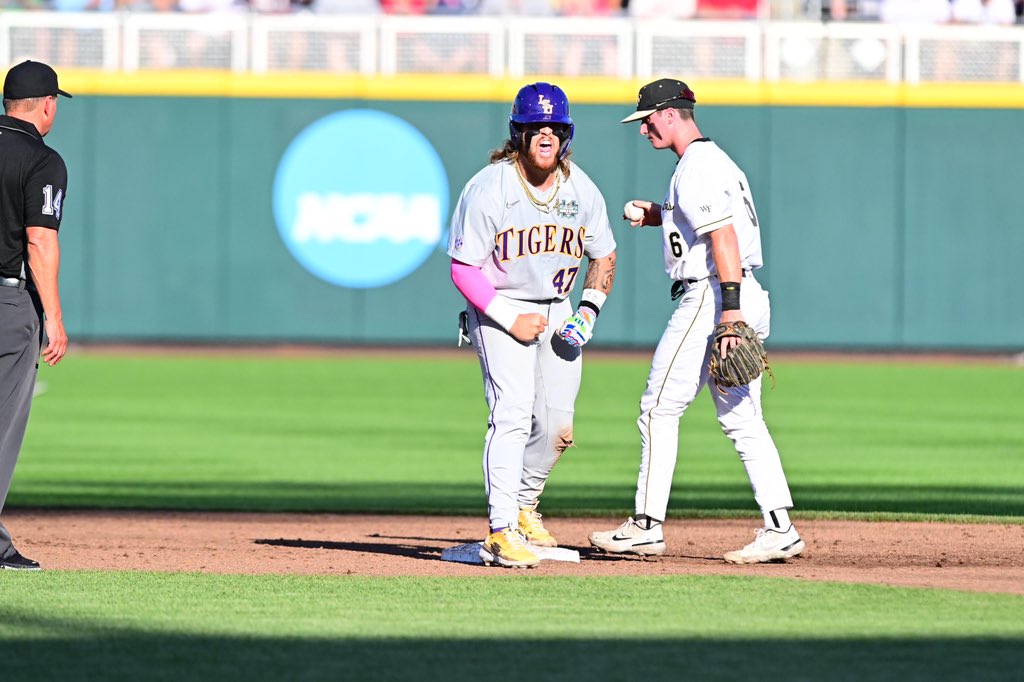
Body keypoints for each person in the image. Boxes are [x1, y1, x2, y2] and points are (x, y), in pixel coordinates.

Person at [588, 78, 803, 564]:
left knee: (658, 407)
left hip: (712, 295)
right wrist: (659, 216)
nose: (643, 129)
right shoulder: (715, 161)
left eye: (646, 119)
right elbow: (708, 225)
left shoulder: (696, 167)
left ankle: (645, 524)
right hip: (740, 289)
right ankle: (780, 527)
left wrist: (728, 311)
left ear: (669, 114)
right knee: (743, 419)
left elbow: (723, 237)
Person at [448, 82, 617, 568]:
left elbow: (603, 253)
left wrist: (588, 309)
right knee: (514, 414)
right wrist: (505, 316)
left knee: (558, 427)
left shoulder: (581, 189)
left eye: (555, 128)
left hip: (559, 305)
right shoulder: (489, 188)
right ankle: (500, 530)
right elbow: (463, 267)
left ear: (566, 134)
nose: (546, 135)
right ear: (518, 134)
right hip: (499, 306)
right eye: (535, 128)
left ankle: (524, 507)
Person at [0, 60, 71, 571]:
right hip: (7, 304)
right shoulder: (41, 159)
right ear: (47, 105)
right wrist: (55, 317)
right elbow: (39, 239)